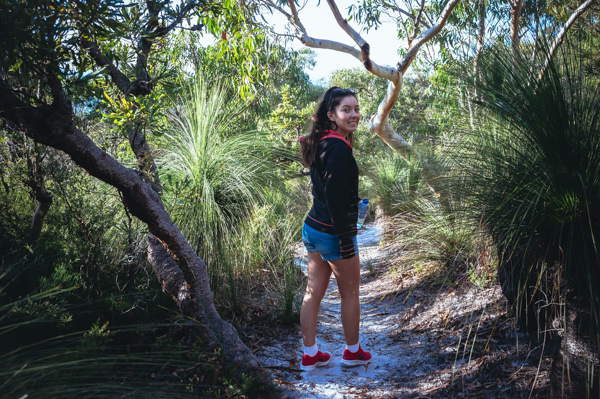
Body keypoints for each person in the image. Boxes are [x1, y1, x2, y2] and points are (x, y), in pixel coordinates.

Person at [298, 86, 372, 371]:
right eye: (346, 110)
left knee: (312, 292)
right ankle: (352, 352)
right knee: (350, 293)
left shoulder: (322, 142)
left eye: (356, 108)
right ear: (331, 115)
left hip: (313, 228)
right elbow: (336, 199)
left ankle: (310, 353)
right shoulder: (338, 148)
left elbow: (328, 191)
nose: (354, 114)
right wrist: (345, 238)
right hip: (332, 233)